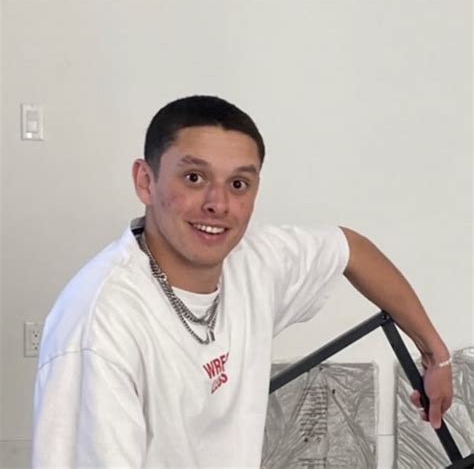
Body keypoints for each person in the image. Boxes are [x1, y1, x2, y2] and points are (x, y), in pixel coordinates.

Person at [32, 95, 452, 468]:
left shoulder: (253, 261)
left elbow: (350, 249)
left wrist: (435, 354)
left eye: (238, 184)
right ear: (145, 181)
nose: (218, 204)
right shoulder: (99, 325)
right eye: (194, 178)